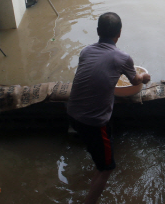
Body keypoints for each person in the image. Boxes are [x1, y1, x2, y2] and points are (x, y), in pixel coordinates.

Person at [67, 12, 151, 204]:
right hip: (94, 122)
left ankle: (95, 168)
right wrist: (145, 78)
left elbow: (93, 75)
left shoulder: (86, 51)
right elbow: (134, 80)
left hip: (72, 113)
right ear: (119, 34)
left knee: (98, 156)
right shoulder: (123, 57)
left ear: (98, 31)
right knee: (108, 168)